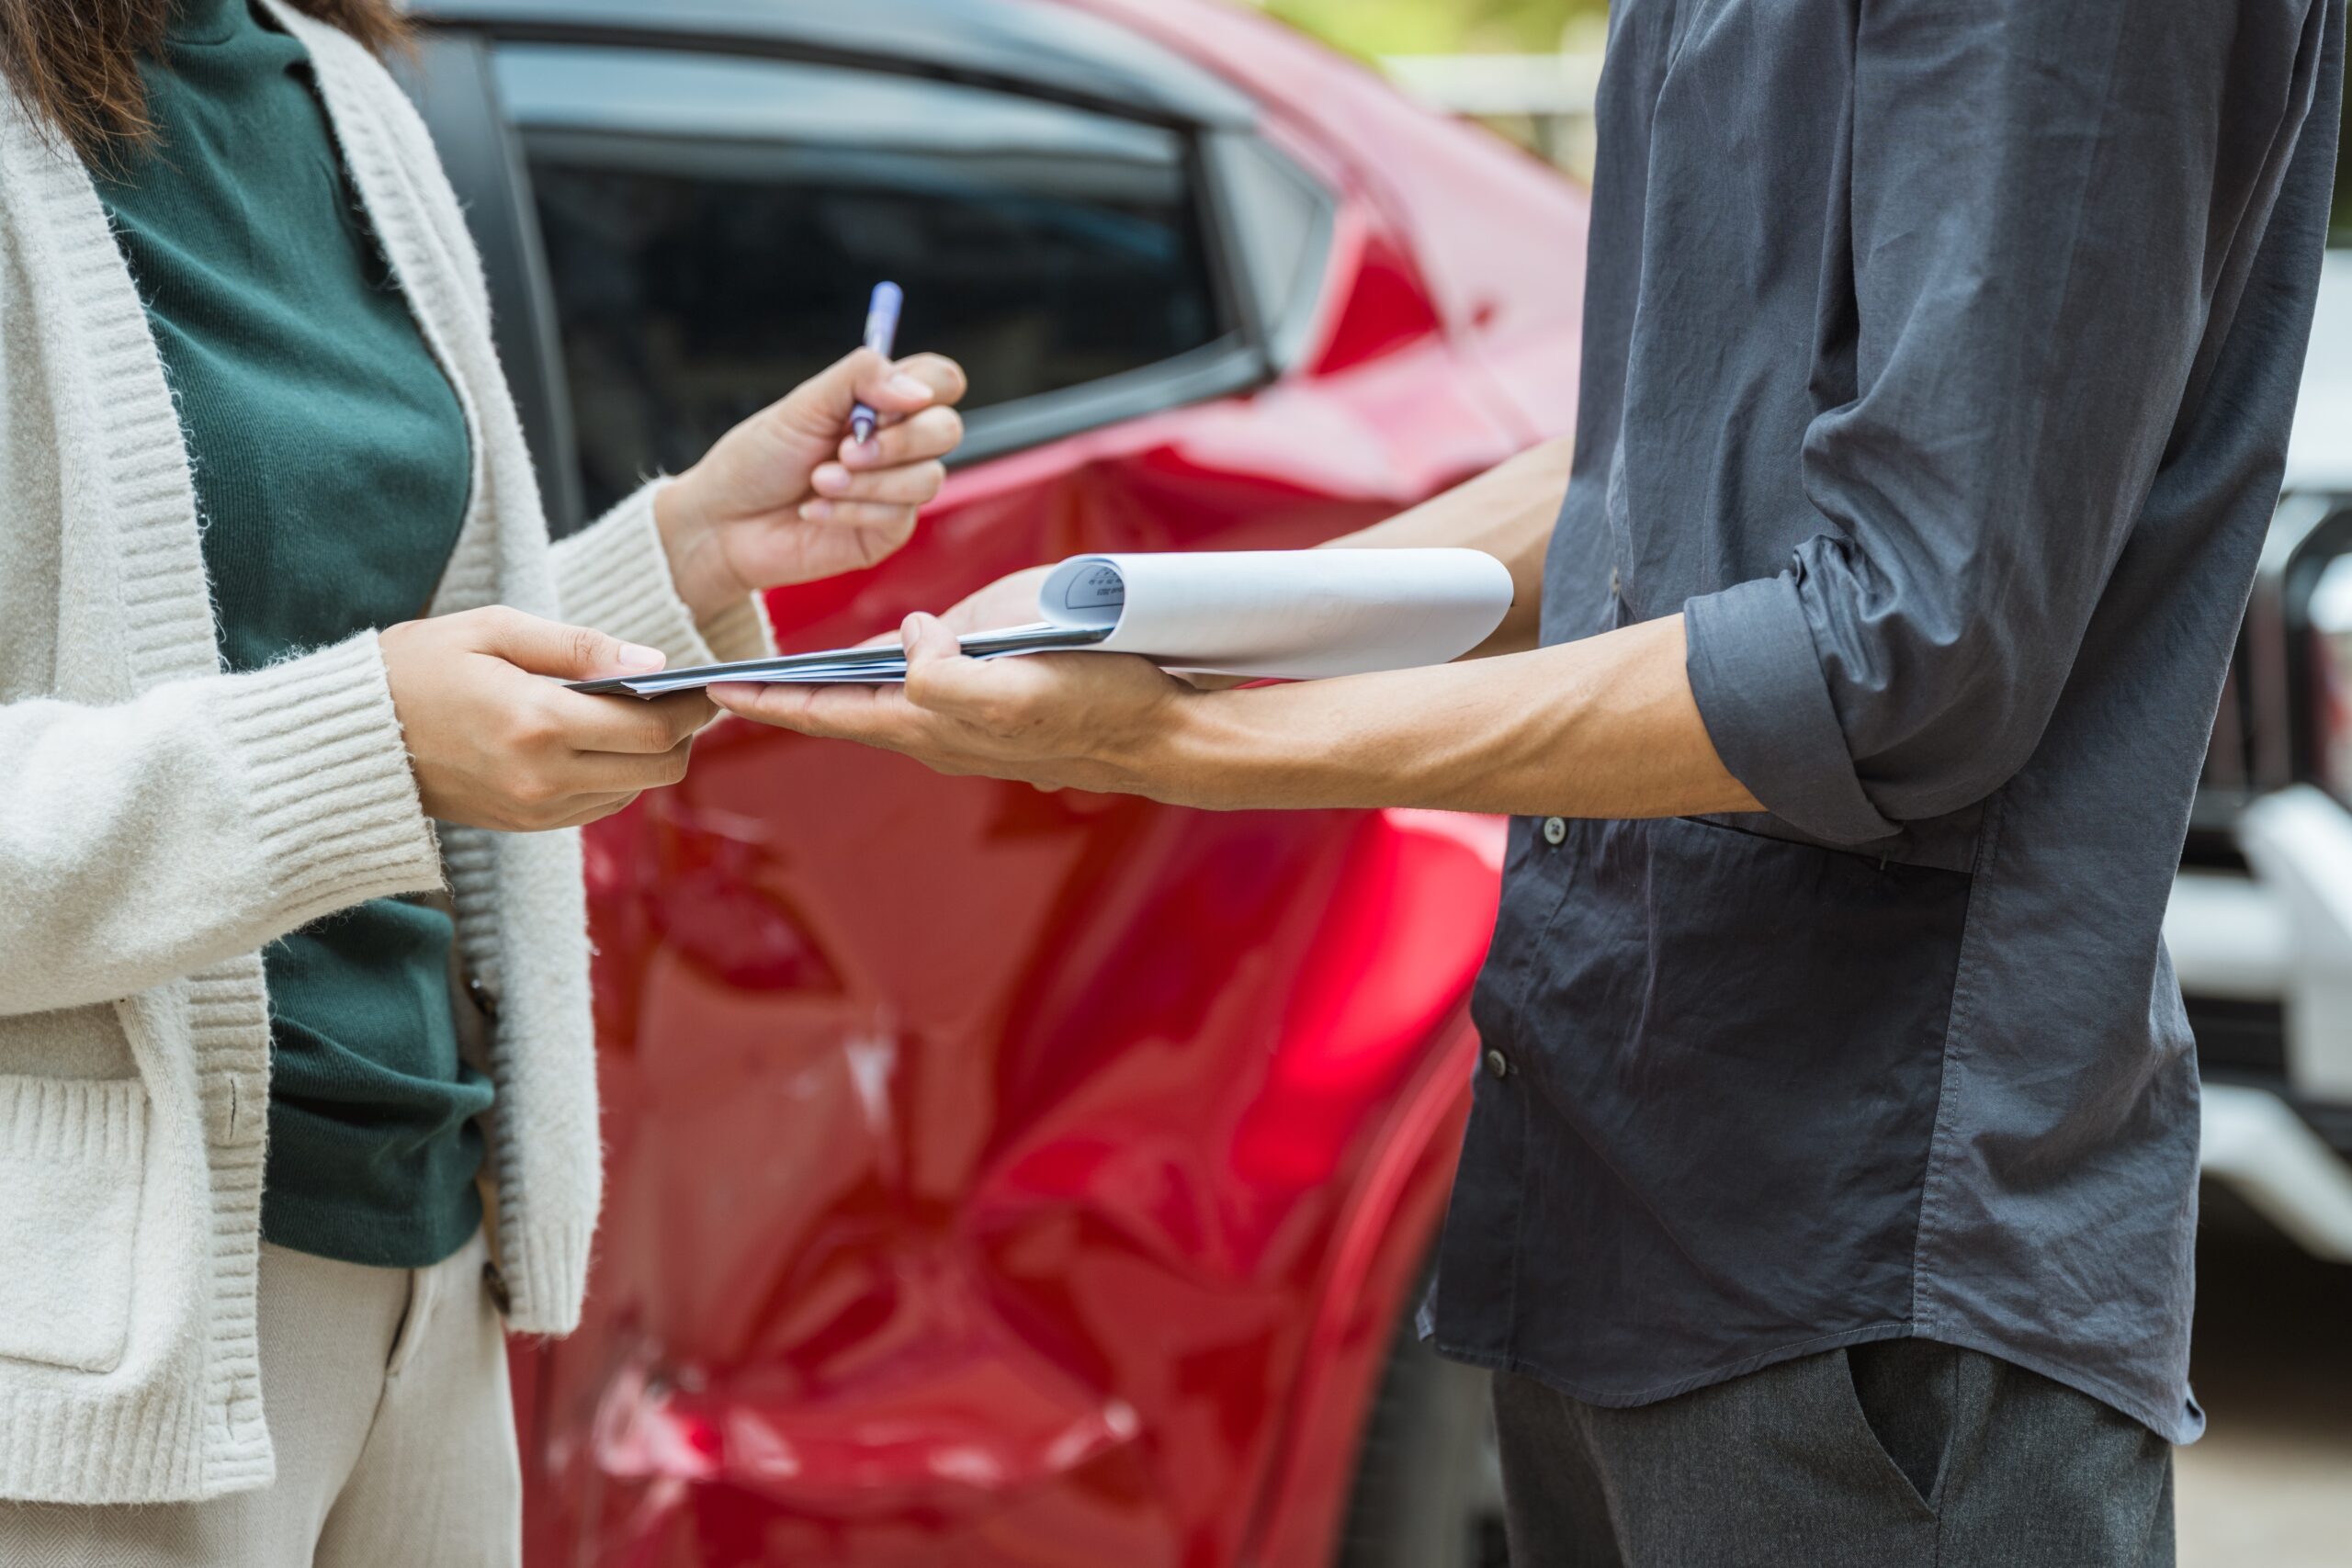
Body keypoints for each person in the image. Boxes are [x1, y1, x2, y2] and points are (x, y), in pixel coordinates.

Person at [715, 2, 2345, 1562]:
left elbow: (1900, 649)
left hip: (1869, 1253)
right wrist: (1171, 631)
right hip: (1610, 1179)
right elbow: (1658, 468)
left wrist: (1190, 750)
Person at [0, 0, 966, 1561]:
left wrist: (689, 553)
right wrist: (366, 739)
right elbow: (364, 713)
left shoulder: (340, 97)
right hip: (71, 1362)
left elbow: (400, 645)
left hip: (424, 1264)